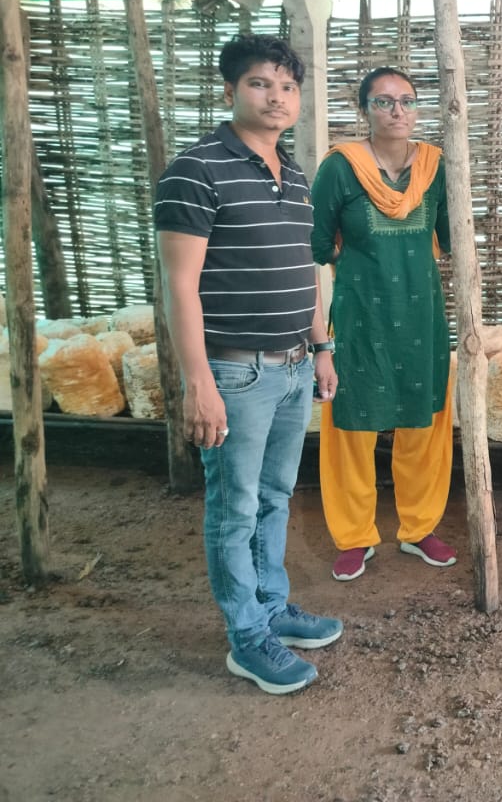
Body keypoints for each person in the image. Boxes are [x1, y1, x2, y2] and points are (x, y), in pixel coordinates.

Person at [154, 34, 342, 695]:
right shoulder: (195, 170)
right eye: (261, 83)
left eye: (288, 86)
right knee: (234, 508)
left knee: (274, 497)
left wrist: (321, 348)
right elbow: (179, 286)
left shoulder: (294, 174)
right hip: (235, 373)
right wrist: (198, 383)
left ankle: (271, 605)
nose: (276, 97)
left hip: (292, 367)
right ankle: (246, 636)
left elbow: (305, 270)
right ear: (230, 90)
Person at [310, 67, 457, 583]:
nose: (397, 111)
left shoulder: (436, 166)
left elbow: (450, 236)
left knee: (424, 423)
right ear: (364, 110)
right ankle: (354, 536)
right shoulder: (340, 167)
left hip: (422, 315)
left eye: (406, 101)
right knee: (351, 425)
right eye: (383, 102)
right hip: (360, 316)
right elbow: (317, 242)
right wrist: (363, 266)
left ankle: (419, 528)